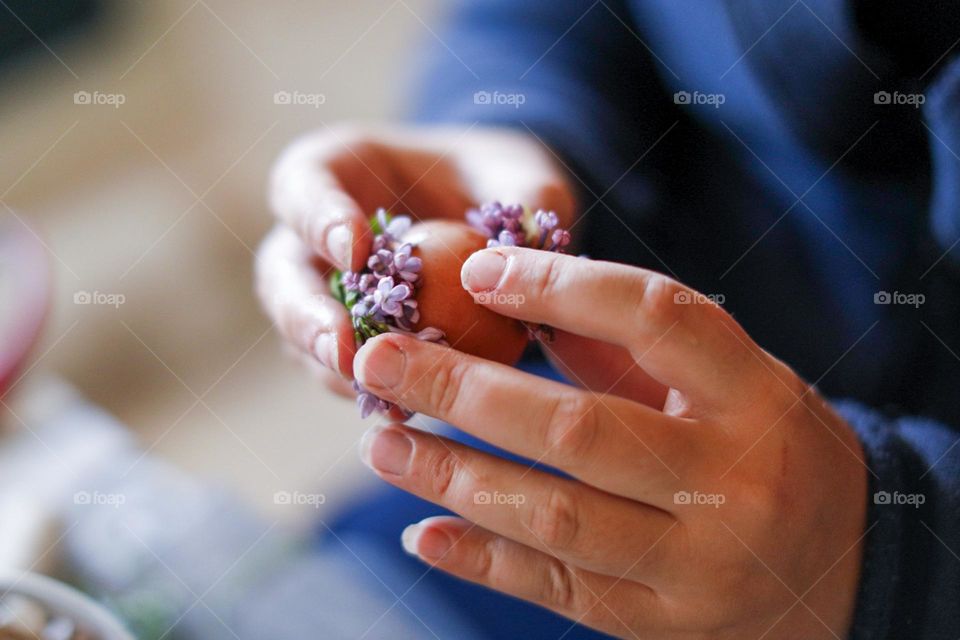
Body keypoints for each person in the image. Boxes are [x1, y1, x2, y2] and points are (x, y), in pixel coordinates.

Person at [256, 2, 960, 638]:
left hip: (867, 572)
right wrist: (518, 131)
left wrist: (903, 556)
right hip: (599, 397)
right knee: (316, 584)